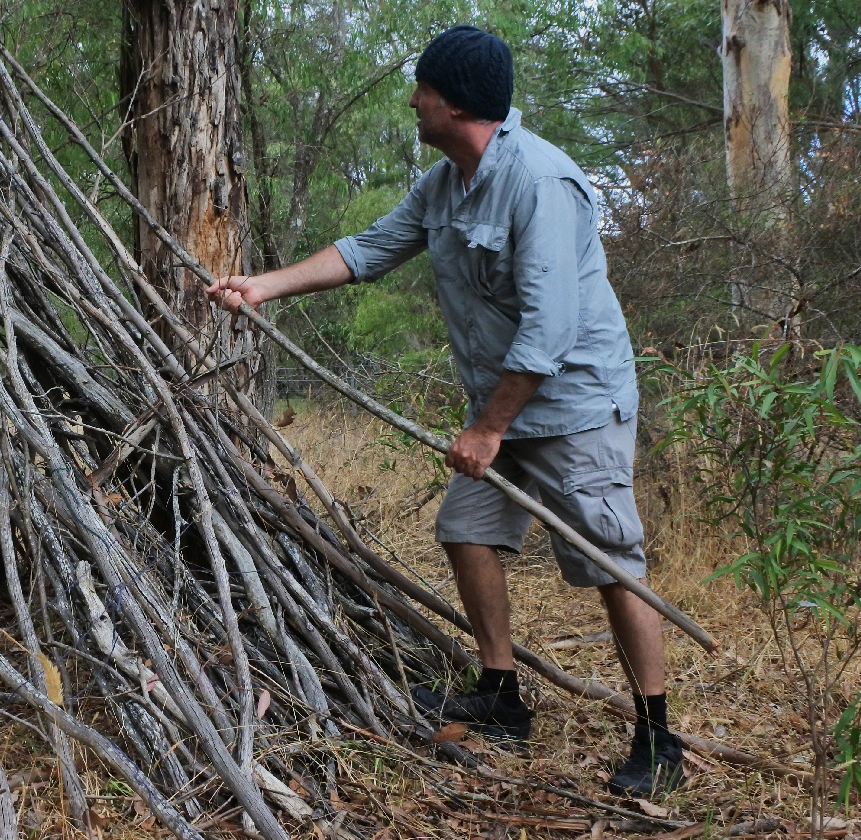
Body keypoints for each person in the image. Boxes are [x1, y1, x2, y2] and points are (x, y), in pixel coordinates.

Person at [205, 25, 685, 797]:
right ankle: (500, 695)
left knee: (608, 562)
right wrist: (264, 286)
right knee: (466, 530)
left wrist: (489, 428)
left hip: (573, 406)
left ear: (453, 103)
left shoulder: (539, 183)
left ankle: (658, 736)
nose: (413, 99)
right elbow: (367, 250)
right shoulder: (444, 183)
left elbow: (549, 333)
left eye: (422, 88)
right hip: (502, 409)